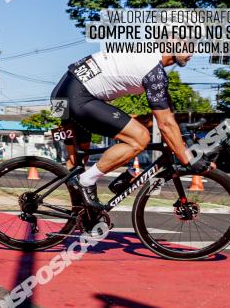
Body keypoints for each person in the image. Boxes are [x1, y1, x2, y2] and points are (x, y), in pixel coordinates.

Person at [50, 50, 214, 211]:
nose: (193, 51)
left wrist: (184, 137)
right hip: (76, 95)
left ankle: (81, 215)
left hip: (64, 92)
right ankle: (86, 181)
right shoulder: (154, 72)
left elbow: (169, 116)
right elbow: (165, 124)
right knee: (140, 137)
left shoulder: (150, 62)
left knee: (77, 162)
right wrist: (187, 159)